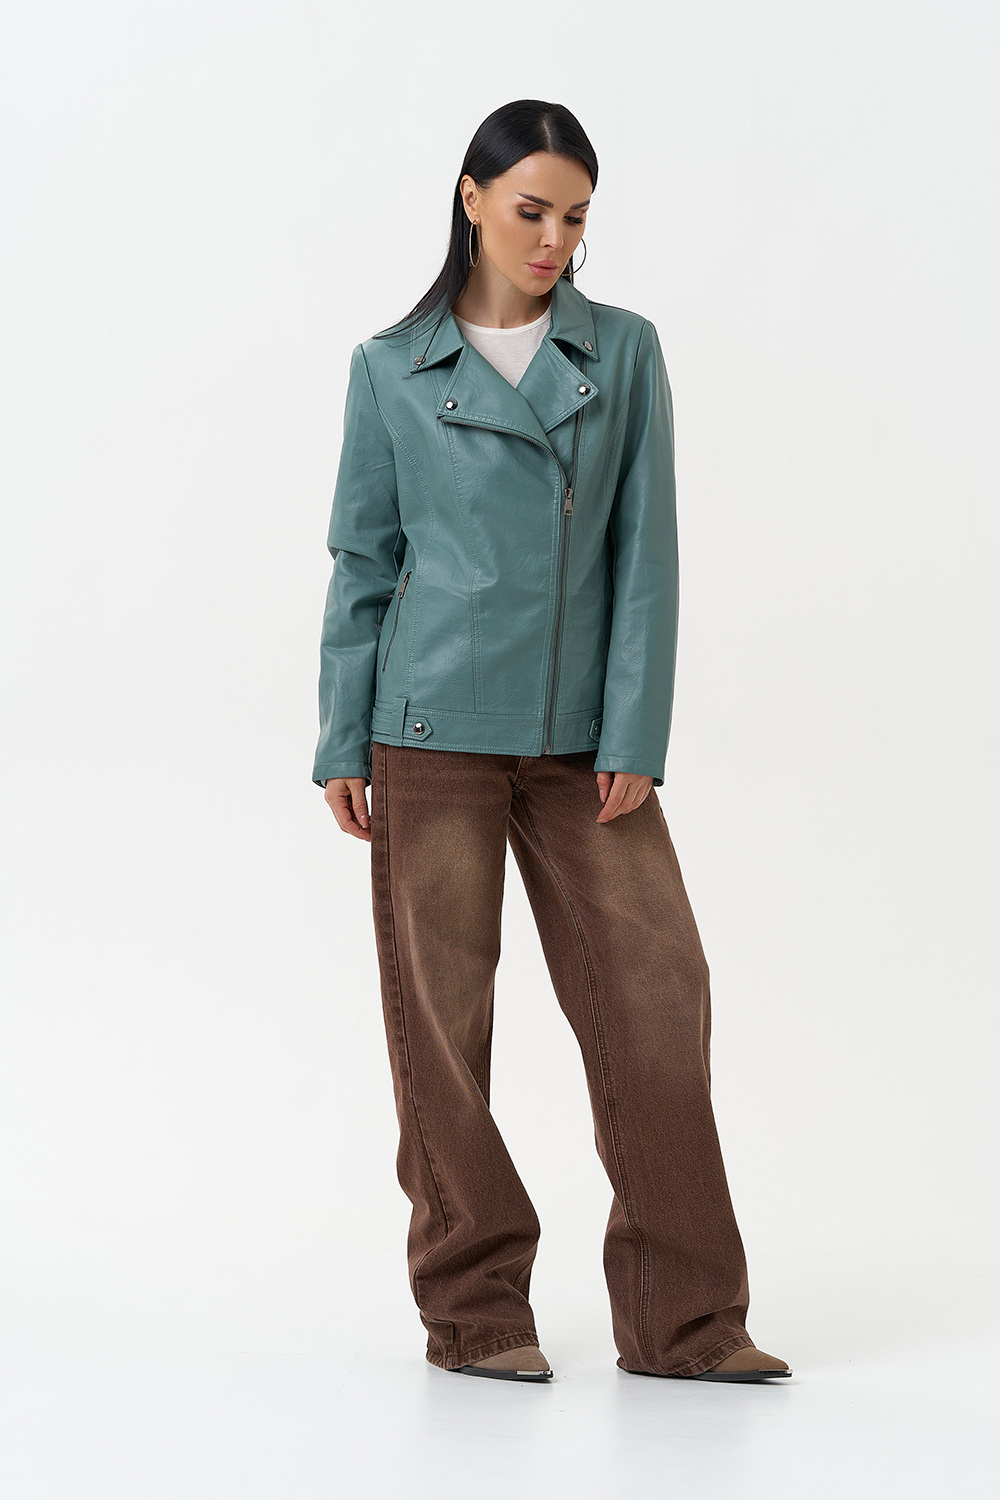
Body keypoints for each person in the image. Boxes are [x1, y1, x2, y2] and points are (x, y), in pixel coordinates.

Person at [312, 99, 791, 1385]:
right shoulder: (390, 366)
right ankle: (475, 1313)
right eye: (531, 211)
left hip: (583, 743)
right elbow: (364, 561)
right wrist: (341, 740)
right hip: (426, 731)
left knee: (656, 997)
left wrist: (634, 730)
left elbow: (648, 557)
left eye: (575, 219)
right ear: (470, 199)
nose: (554, 241)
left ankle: (685, 1321)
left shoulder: (621, 351)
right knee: (440, 1028)